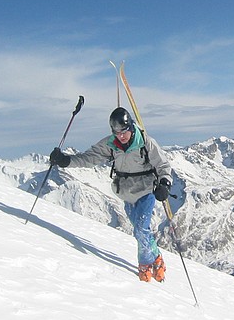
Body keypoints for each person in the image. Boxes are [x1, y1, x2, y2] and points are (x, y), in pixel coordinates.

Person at [49, 107, 172, 282]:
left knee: (140, 229)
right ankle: (157, 257)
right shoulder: (111, 144)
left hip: (146, 191)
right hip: (126, 194)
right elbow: (89, 158)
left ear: (130, 127)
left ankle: (145, 264)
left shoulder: (146, 143)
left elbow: (163, 165)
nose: (121, 136)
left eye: (123, 131)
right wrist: (65, 161)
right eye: (116, 132)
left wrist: (164, 184)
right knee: (139, 232)